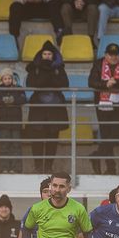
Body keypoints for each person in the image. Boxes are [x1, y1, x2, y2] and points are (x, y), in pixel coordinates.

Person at [87, 42, 119, 175]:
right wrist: (105, 84)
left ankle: (96, 155)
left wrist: (115, 83)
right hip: (102, 104)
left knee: (116, 134)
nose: (114, 57)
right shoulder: (98, 64)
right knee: (106, 135)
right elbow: (91, 82)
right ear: (105, 55)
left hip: (118, 104)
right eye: (111, 55)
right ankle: (111, 167)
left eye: (116, 55)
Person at [26, 40, 68, 174]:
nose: (47, 56)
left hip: (55, 110)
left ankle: (49, 166)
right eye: (45, 54)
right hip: (38, 110)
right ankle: (38, 166)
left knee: (52, 140)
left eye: (49, 54)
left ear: (53, 55)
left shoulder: (59, 68)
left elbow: (64, 84)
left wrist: (48, 78)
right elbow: (31, 83)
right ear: (41, 55)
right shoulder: (34, 67)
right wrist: (47, 76)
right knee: (37, 139)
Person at [0, 68, 26, 173]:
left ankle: (16, 168)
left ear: (12, 79)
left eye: (9, 78)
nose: (7, 80)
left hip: (16, 121)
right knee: (4, 145)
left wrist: (12, 100)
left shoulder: (18, 88)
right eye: (5, 78)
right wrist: (5, 101)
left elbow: (23, 99)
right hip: (3, 122)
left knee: (16, 145)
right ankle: (5, 167)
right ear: (1, 79)